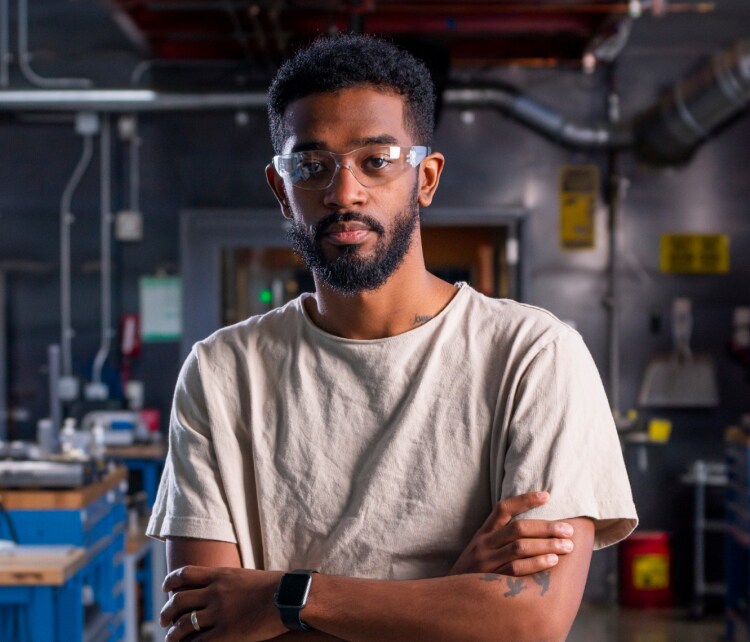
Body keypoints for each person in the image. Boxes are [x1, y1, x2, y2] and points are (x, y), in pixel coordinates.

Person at [148, 33, 637, 641]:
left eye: (376, 161)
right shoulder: (222, 371)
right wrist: (452, 595)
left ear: (425, 178)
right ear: (281, 190)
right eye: (311, 165)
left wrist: (284, 599)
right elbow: (208, 628)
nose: (344, 192)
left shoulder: (533, 357)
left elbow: (529, 624)